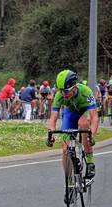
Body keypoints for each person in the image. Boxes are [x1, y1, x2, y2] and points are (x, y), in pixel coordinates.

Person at [47, 70, 99, 198]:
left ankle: (90, 162)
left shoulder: (86, 92)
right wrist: (51, 133)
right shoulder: (59, 95)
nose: (63, 94)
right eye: (60, 91)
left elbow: (94, 117)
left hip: (84, 112)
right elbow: (53, 118)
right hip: (70, 115)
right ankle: (69, 184)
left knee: (84, 124)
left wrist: (92, 134)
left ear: (74, 87)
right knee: (65, 150)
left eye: (65, 91)